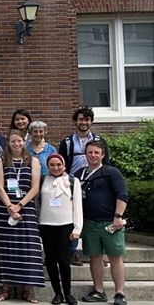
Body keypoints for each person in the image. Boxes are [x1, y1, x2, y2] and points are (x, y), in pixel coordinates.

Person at [0, 130, 45, 303]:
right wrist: (10, 207)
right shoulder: (1, 160)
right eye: (13, 141)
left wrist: (19, 206)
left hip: (26, 209)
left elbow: (35, 188)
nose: (16, 144)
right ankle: (5, 289)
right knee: (6, 249)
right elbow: (0, 187)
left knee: (27, 250)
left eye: (20, 141)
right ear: (8, 142)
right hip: (5, 210)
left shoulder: (33, 161)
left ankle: (27, 291)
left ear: (24, 141)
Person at [76, 140, 128, 305]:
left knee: (115, 257)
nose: (93, 155)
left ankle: (119, 293)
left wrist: (118, 216)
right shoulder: (79, 174)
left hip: (111, 223)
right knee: (95, 257)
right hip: (89, 223)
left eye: (96, 153)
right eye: (90, 152)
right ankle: (99, 291)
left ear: (103, 155)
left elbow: (122, 195)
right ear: (85, 154)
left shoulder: (111, 172)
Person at [59, 107, 111, 265]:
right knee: (74, 218)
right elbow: (63, 166)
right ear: (75, 121)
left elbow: (106, 164)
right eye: (81, 119)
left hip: (95, 183)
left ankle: (97, 254)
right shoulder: (67, 143)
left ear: (91, 122)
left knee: (94, 217)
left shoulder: (99, 141)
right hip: (73, 184)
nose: (84, 122)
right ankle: (73, 252)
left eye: (87, 119)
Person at [39, 153, 83, 305]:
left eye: (58, 164)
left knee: (63, 260)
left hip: (65, 224)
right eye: (52, 165)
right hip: (46, 224)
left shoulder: (72, 181)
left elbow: (78, 206)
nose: (56, 168)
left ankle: (68, 292)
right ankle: (57, 293)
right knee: (50, 260)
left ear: (63, 165)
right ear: (48, 166)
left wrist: (77, 228)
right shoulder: (43, 180)